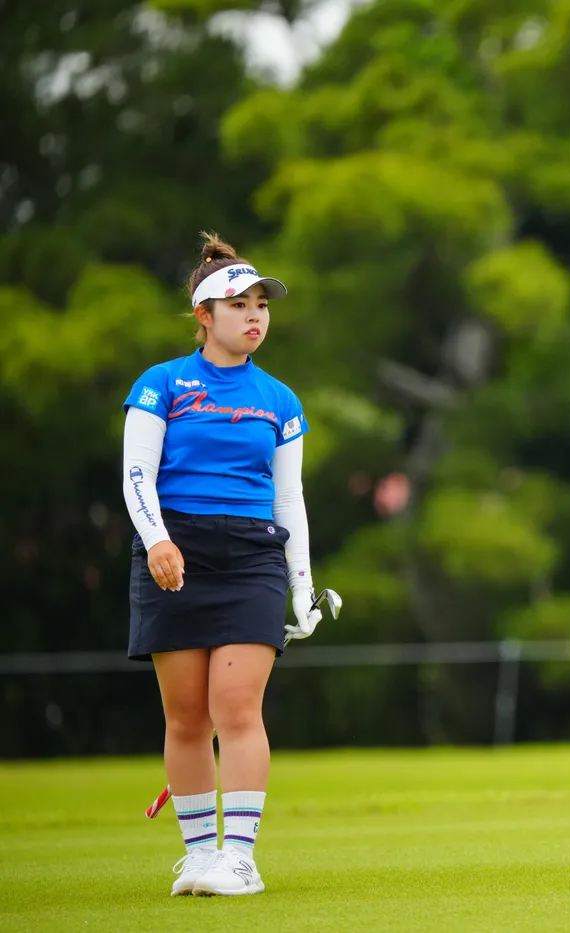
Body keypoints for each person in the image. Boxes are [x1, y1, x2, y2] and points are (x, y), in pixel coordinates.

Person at [122, 232, 326, 895]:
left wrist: (301, 585)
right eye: (239, 305)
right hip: (175, 551)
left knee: (235, 708)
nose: (255, 316)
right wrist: (157, 540)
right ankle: (199, 856)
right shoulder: (160, 384)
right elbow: (136, 474)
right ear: (204, 315)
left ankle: (239, 857)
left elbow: (289, 498)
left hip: (251, 556)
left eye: (261, 304)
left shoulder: (281, 400)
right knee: (186, 717)